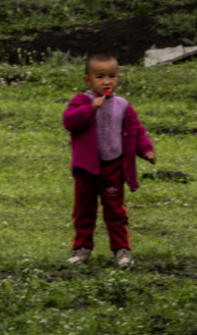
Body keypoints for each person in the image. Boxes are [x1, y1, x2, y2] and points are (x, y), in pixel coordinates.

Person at [62, 50, 155, 267]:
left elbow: (136, 130)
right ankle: (81, 249)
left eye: (112, 76)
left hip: (113, 167)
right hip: (86, 169)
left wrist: (146, 150)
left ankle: (122, 251)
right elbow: (69, 122)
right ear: (87, 80)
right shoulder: (81, 100)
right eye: (100, 77)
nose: (107, 82)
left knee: (115, 210)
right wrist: (90, 108)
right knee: (84, 211)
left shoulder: (122, 105)